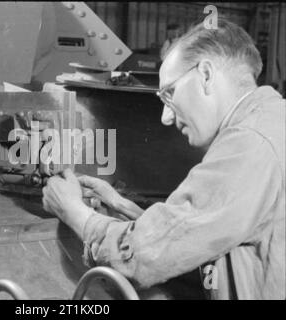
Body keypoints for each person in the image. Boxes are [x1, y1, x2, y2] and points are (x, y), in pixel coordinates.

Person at [42, 19, 285, 300]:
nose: (165, 117)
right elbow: (207, 240)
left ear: (206, 74)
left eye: (169, 93)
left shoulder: (249, 144)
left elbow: (143, 259)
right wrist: (125, 209)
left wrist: (73, 211)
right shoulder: (273, 123)